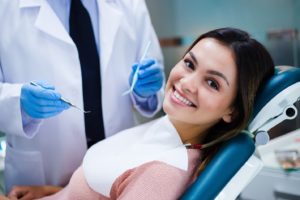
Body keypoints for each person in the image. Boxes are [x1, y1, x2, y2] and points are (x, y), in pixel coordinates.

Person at [1, 27, 275, 200]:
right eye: (190, 64)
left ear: (232, 110)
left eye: (212, 83)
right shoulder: (164, 131)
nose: (187, 83)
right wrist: (56, 193)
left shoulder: (162, 173)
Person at [0, 0, 164, 194]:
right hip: (42, 174)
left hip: (119, 164)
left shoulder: (130, 4)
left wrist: (146, 92)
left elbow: (154, 70)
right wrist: (18, 103)